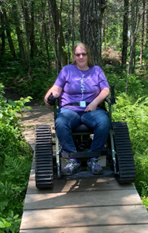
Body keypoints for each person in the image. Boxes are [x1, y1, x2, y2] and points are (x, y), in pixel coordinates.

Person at [44, 43, 111, 176]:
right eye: (78, 54)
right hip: (69, 109)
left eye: (83, 54)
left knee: (104, 122)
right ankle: (73, 159)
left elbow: (105, 90)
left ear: (88, 55)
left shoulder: (96, 70)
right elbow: (57, 88)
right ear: (74, 56)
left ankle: (93, 158)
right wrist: (51, 95)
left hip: (92, 109)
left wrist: (94, 103)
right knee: (61, 123)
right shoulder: (67, 70)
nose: (81, 57)